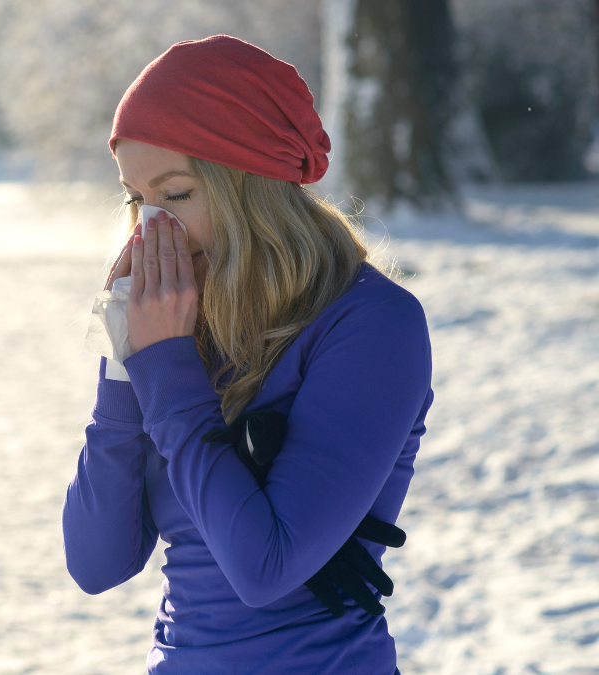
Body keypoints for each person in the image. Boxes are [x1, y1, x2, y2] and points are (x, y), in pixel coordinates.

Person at [61, 36, 434, 674]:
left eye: (175, 195)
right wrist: (125, 365)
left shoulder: (371, 324)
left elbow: (265, 567)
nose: (153, 229)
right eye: (135, 199)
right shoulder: (176, 326)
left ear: (250, 185)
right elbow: (97, 562)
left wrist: (166, 369)